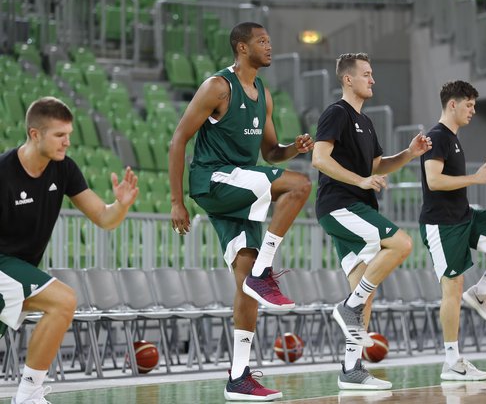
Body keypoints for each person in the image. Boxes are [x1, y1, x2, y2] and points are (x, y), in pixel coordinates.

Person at [169, 22, 313, 401]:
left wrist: (293, 149)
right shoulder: (218, 87)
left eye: (269, 39)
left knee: (244, 282)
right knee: (299, 185)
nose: (269, 46)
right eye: (262, 41)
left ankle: (239, 376)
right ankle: (266, 271)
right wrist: (175, 201)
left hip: (241, 188)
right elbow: (178, 139)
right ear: (241, 47)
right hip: (214, 180)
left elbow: (270, 154)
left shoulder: (263, 94)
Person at [0, 97, 139, 404]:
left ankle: (29, 394)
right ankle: (27, 396)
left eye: (69, 134)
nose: (68, 142)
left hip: (18, 271)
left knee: (61, 303)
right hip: (2, 266)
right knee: (63, 300)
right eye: (59, 135)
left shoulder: (64, 169)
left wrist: (121, 205)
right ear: (35, 134)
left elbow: (104, 218)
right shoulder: (3, 171)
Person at [312, 53, 431, 390]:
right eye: (366, 74)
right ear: (348, 79)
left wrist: (408, 154)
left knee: (365, 289)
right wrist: (359, 181)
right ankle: (348, 307)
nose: (372, 79)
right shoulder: (336, 113)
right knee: (402, 243)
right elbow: (319, 158)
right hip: (340, 205)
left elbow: (377, 165)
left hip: (356, 204)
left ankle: (351, 369)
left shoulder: (367, 122)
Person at [419, 80, 486, 381]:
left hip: (464, 216)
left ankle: (481, 291)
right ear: (452, 104)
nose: (473, 111)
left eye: (475, 105)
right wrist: (474, 180)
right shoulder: (437, 136)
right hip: (442, 224)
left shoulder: (452, 137)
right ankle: (452, 362)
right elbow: (434, 181)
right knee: (451, 290)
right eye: (469, 105)